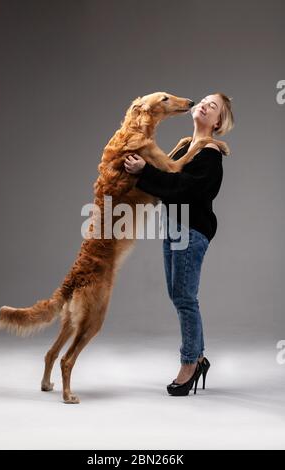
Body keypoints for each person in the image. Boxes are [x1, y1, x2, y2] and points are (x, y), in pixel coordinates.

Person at [124, 93, 234, 396]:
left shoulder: (210, 153)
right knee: (179, 294)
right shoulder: (186, 146)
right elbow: (168, 178)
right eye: (204, 101)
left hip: (191, 229)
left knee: (185, 297)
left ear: (218, 122)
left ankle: (189, 364)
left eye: (213, 107)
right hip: (174, 226)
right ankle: (197, 357)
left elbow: (185, 189)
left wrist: (144, 172)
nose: (204, 106)